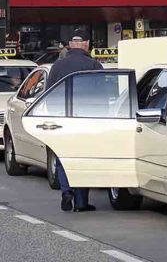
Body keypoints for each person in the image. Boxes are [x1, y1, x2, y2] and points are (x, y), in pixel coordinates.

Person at [46, 28, 102, 212]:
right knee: (83, 158)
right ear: (86, 44)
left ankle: (66, 191)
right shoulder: (93, 66)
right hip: (87, 120)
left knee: (63, 156)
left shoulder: (57, 67)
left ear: (70, 45)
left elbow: (48, 95)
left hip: (63, 119)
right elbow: (103, 96)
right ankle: (80, 202)